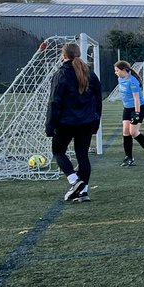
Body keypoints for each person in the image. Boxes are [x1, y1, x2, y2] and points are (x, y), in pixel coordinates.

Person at [46, 42, 102, 202]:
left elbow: (54, 102)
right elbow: (98, 101)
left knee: (58, 151)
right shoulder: (90, 74)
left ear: (64, 56)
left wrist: (50, 125)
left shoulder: (61, 74)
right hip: (87, 122)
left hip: (66, 122)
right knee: (82, 155)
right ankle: (83, 192)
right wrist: (96, 123)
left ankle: (74, 181)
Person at [114, 60, 144, 166]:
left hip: (138, 108)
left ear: (124, 70)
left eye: (117, 70)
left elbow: (136, 99)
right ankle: (129, 157)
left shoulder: (132, 81)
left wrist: (137, 113)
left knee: (133, 132)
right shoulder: (120, 78)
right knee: (125, 132)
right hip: (127, 108)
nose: (116, 72)